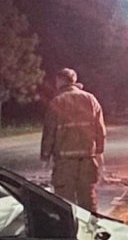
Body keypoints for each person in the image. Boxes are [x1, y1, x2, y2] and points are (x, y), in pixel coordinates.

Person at [41, 68, 106, 211]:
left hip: (65, 163)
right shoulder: (90, 99)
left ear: (59, 81)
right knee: (88, 200)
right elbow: (100, 130)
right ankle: (91, 230)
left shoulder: (57, 102)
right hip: (87, 160)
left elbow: (49, 132)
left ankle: (68, 231)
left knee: (64, 203)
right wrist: (99, 152)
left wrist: (45, 156)